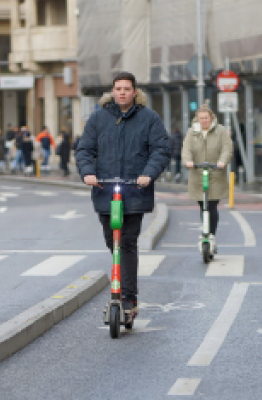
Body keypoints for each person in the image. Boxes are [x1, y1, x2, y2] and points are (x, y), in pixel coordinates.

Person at [76, 71, 170, 319]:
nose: (122, 93)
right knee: (112, 241)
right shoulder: (98, 118)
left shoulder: (149, 119)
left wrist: (148, 174)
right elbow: (84, 149)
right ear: (112, 91)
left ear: (135, 92)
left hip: (135, 191)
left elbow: (161, 149)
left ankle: (128, 298)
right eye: (118, 88)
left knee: (127, 242)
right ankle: (121, 291)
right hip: (105, 190)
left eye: (127, 89)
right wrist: (87, 173)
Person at [182, 103, 233, 252]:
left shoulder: (220, 131)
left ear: (211, 118)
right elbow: (186, 149)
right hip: (198, 174)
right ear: (197, 119)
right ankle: (205, 232)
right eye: (201, 118)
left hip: (215, 174)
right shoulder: (192, 132)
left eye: (206, 118)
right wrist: (188, 161)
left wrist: (222, 161)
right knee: (202, 206)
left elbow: (227, 148)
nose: (204, 120)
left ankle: (211, 236)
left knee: (211, 206)